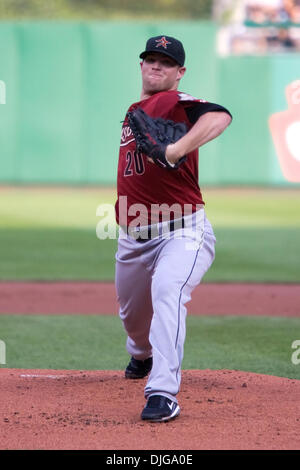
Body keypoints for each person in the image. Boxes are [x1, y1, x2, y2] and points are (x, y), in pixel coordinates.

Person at [115, 35, 232, 422]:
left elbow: (219, 117)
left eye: (165, 62)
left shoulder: (174, 102)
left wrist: (175, 150)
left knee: (168, 292)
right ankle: (141, 355)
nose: (155, 66)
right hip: (132, 236)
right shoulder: (136, 109)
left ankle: (163, 392)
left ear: (180, 73)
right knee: (132, 320)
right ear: (141, 65)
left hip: (182, 231)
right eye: (150, 58)